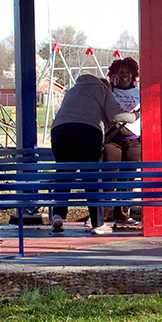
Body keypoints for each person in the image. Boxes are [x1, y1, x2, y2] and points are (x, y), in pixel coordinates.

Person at [50, 74, 137, 235]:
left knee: (63, 175)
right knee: (91, 177)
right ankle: (98, 224)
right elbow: (115, 115)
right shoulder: (103, 90)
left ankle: (58, 216)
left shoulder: (73, 90)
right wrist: (134, 116)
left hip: (59, 132)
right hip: (87, 132)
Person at [103, 58, 141, 228]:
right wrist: (110, 85)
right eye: (121, 72)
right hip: (113, 140)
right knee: (109, 178)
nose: (125, 76)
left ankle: (122, 215)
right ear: (114, 75)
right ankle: (99, 216)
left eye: (128, 72)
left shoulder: (140, 92)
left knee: (128, 179)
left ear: (133, 75)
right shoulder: (109, 92)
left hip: (133, 141)